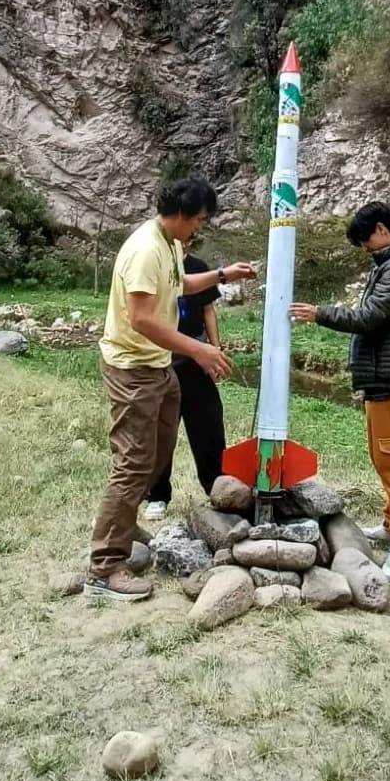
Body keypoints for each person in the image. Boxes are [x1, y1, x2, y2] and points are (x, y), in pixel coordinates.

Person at [85, 177, 256, 603]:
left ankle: (123, 528)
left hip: (159, 368)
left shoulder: (170, 243)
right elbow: (142, 318)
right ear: (181, 214)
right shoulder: (145, 249)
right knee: (133, 462)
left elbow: (179, 285)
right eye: (199, 219)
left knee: (157, 451)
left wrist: (221, 274)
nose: (199, 227)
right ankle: (105, 567)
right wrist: (199, 349)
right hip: (133, 368)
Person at [289, 200, 390, 587]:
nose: (363, 249)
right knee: (384, 455)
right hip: (382, 376)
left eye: (364, 241)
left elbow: (370, 317)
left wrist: (320, 313)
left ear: (382, 231)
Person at [143, 236, 227, 519]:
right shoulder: (154, 266)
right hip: (163, 359)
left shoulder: (197, 267)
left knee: (208, 423)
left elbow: (208, 310)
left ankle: (218, 487)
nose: (185, 245)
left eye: (190, 241)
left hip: (197, 357)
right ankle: (157, 495)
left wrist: (215, 349)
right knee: (161, 429)